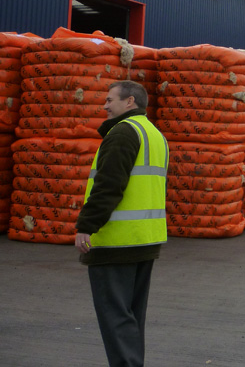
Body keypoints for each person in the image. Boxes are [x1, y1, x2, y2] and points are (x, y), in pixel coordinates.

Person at [75, 80, 169, 367]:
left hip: (117, 241)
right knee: (131, 316)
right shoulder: (154, 134)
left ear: (130, 102)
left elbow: (108, 186)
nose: (104, 105)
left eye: (109, 100)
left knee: (115, 315)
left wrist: (86, 225)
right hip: (145, 239)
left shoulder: (123, 133)